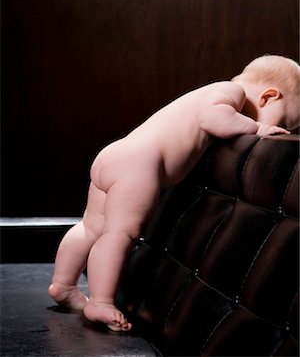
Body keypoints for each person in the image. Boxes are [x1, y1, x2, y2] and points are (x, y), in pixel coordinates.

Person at [48, 54, 300, 331]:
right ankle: (101, 301)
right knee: (121, 233)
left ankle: (63, 284)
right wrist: (258, 127)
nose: (283, 131)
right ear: (268, 97)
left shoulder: (210, 94)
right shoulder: (232, 91)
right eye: (286, 121)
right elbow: (211, 118)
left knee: (91, 226)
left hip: (116, 155)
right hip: (141, 164)